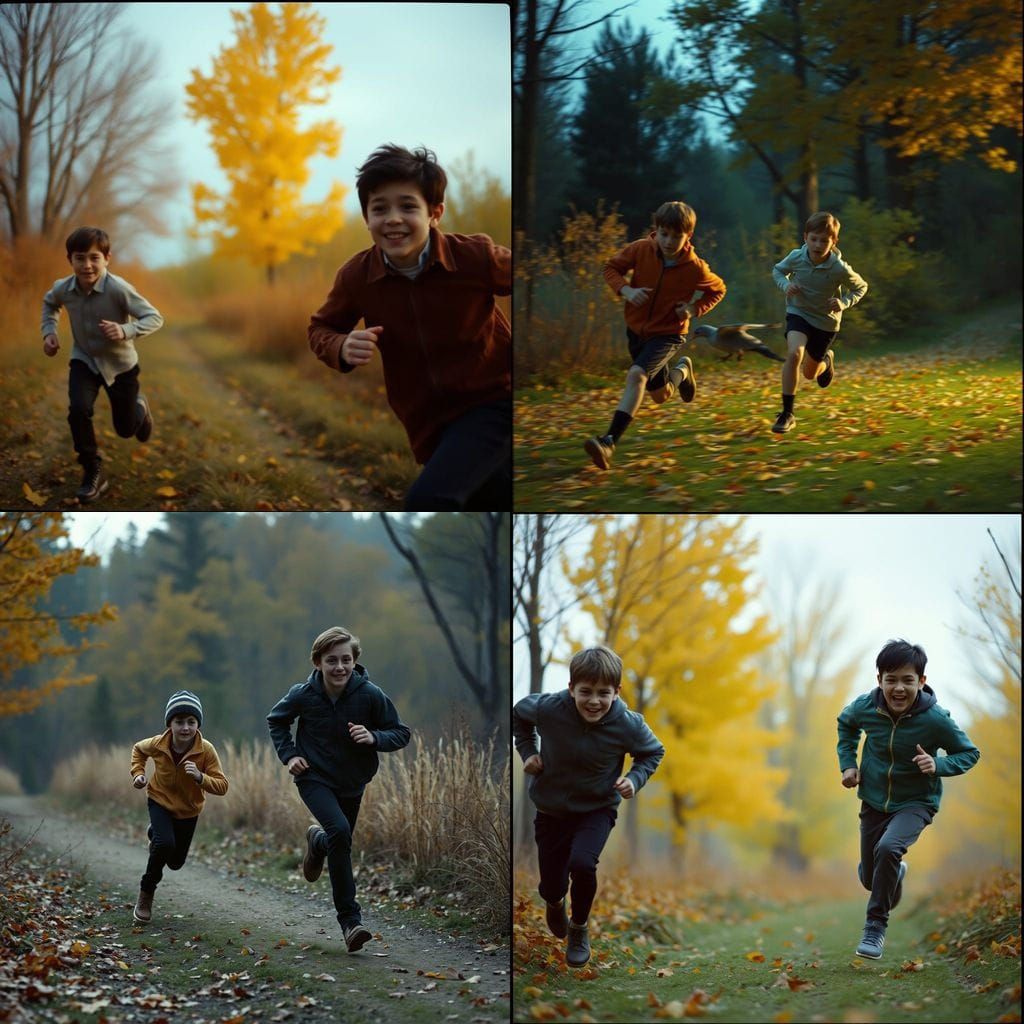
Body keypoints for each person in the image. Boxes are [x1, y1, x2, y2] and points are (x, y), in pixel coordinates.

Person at [308, 144, 510, 510]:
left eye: (408, 206)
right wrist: (341, 346)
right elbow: (320, 328)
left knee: (431, 499)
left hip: (493, 403)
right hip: (427, 424)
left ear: (435, 213)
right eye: (379, 208)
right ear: (366, 217)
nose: (393, 219)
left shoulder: (474, 257)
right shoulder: (358, 277)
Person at [512, 645, 665, 969]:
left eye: (603, 693)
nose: (594, 701)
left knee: (583, 863)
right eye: (585, 692)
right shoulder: (549, 708)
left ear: (616, 691)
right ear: (571, 688)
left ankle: (579, 928)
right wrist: (528, 753)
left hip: (597, 808)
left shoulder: (628, 723)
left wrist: (634, 779)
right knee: (551, 885)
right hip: (551, 808)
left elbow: (653, 752)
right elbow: (518, 717)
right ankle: (554, 902)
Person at [267, 626, 411, 953]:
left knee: (337, 841)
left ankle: (317, 842)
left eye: (346, 659)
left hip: (352, 782)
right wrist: (290, 756)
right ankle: (350, 922)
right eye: (331, 660)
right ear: (318, 662)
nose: (339, 667)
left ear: (355, 660)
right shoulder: (303, 694)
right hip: (313, 777)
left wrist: (375, 737)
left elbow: (400, 732)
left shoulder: (370, 694)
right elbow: (276, 720)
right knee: (341, 832)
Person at [837, 639, 980, 960]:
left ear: (922, 682)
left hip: (916, 802)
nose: (898, 688)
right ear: (879, 680)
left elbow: (970, 753)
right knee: (868, 879)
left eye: (907, 680)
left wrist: (938, 764)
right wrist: (848, 763)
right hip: (874, 800)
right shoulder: (865, 708)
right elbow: (846, 725)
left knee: (889, 848)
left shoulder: (935, 719)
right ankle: (895, 873)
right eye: (891, 680)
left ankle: (875, 927)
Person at [583, 200, 726, 470]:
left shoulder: (695, 267)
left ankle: (609, 441)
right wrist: (626, 291)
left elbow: (718, 290)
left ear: (688, 236)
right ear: (656, 230)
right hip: (636, 330)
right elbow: (610, 269)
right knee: (660, 396)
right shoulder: (640, 249)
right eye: (664, 234)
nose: (669, 241)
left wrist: (694, 308)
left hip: (669, 334)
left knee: (636, 375)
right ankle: (682, 371)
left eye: (676, 236)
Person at [41, 226, 164, 502]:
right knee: (79, 409)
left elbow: (154, 317)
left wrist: (125, 331)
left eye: (94, 258)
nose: (87, 265)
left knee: (125, 429)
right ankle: (91, 469)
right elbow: (49, 305)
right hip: (84, 359)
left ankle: (139, 408)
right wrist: (49, 332)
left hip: (121, 366)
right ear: (70, 260)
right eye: (80, 258)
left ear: (107, 258)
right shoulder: (64, 288)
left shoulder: (118, 289)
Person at [129, 690, 228, 924]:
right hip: (159, 800)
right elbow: (138, 750)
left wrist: (200, 777)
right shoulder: (157, 743)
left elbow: (223, 786)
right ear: (170, 724)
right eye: (179, 722)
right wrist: (138, 774)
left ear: (198, 724)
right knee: (165, 843)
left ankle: (155, 833)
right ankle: (146, 893)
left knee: (175, 862)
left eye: (191, 722)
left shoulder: (206, 750)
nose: (185, 728)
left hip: (188, 810)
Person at [770, 211, 868, 433]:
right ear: (805, 237)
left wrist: (843, 303)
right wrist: (786, 286)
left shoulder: (838, 267)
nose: (818, 245)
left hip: (825, 322)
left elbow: (861, 287)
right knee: (794, 353)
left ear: (834, 242)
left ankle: (826, 362)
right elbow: (777, 271)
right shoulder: (797, 256)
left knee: (809, 373)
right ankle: (787, 413)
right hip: (799, 312)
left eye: (824, 240)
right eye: (814, 239)